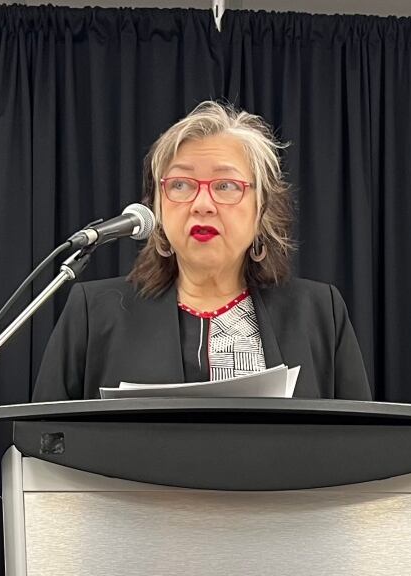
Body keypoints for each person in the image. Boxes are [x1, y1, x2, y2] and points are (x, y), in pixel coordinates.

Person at [32, 101, 370, 401]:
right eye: (180, 185)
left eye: (225, 186)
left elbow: (362, 448)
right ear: (158, 209)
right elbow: (40, 448)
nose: (202, 204)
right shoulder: (94, 314)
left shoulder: (319, 314)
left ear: (262, 209)